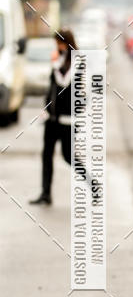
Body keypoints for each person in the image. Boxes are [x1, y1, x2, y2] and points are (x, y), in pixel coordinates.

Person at [30, 29, 78, 206]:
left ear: (67, 43)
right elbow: (51, 89)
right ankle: (45, 194)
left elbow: (65, 84)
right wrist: (46, 109)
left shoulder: (77, 63)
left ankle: (94, 185)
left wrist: (56, 66)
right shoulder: (58, 61)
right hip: (52, 119)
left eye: (59, 43)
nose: (57, 47)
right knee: (47, 155)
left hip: (67, 121)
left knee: (68, 156)